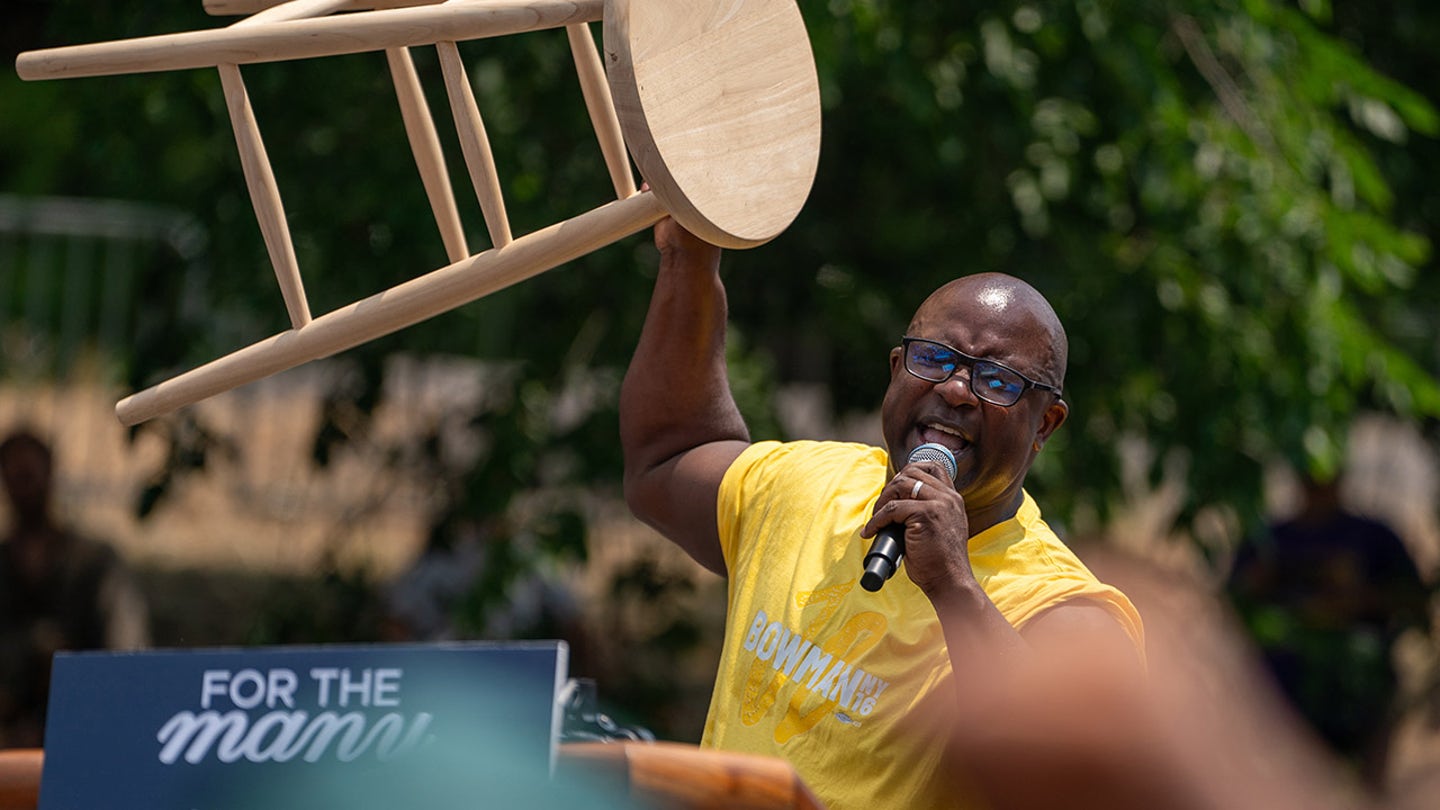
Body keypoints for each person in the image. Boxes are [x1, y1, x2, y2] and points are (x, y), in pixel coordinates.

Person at [619, 218, 1145, 809]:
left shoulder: (1067, 611)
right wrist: (690, 259)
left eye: (997, 380)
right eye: (934, 358)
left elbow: (1070, 787)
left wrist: (953, 585)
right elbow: (669, 456)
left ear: (1044, 424)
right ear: (897, 368)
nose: (956, 390)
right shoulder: (807, 487)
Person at [1228, 470, 1433, 785]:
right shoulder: (1269, 539)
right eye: (1310, 478)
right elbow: (1227, 607)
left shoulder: (1373, 537)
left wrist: (1359, 598)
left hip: (1359, 694)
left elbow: (1415, 602)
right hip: (1280, 696)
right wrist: (1259, 584)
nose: (1318, 487)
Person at [0, 428, 150, 748]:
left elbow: (127, 648)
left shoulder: (94, 563)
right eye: (16, 477)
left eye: (30, 475)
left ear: (51, 472)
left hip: (83, 716)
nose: (24, 487)